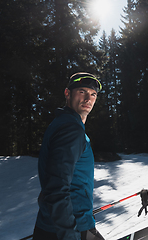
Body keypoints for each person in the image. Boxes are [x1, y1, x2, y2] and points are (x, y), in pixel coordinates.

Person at [33, 72, 105, 240]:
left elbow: (53, 178)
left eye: (93, 94)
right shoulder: (71, 129)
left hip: (58, 224)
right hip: (71, 228)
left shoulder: (63, 123)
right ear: (67, 93)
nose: (88, 98)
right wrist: (69, 235)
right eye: (82, 91)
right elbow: (56, 187)